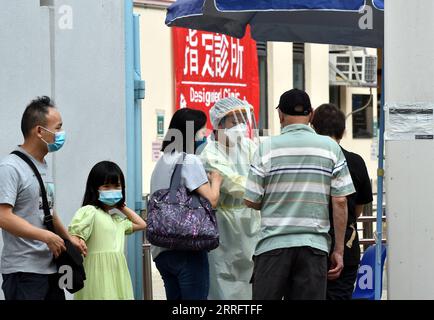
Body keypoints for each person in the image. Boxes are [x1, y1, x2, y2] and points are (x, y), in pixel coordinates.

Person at [244, 89, 355, 300]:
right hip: (314, 248)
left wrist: (275, 199)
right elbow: (340, 201)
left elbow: (251, 199)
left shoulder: (266, 149)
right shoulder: (331, 148)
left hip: (272, 246)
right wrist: (338, 250)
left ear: (280, 115)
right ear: (311, 114)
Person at [0, 96, 86, 300]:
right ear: (39, 131)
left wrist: (68, 240)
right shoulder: (10, 167)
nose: (61, 134)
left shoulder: (43, 166)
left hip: (51, 268)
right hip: (24, 272)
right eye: (58, 128)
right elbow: (3, 217)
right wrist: (45, 236)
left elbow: (47, 210)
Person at [150, 108, 223, 300]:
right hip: (186, 249)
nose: (204, 135)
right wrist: (216, 180)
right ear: (190, 133)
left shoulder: (163, 160)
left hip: (161, 250)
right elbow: (211, 199)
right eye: (202, 130)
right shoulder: (189, 160)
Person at [200, 97, 260, 300]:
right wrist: (262, 186)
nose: (240, 127)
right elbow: (233, 183)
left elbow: (264, 172)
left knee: (253, 283)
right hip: (227, 228)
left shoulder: (249, 147)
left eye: (242, 122)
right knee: (225, 283)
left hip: (252, 223)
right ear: (219, 125)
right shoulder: (210, 154)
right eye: (234, 123)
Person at [311, 103, 373, 300]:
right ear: (343, 131)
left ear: (313, 129)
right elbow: (358, 207)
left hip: (310, 242)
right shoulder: (355, 161)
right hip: (346, 244)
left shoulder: (309, 161)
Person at [68, 161, 146, 300]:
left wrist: (121, 207)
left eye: (117, 186)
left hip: (118, 275)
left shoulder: (117, 220)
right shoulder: (90, 211)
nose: (112, 190)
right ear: (95, 189)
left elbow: (141, 224)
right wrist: (78, 241)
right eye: (106, 186)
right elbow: (74, 236)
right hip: (97, 276)